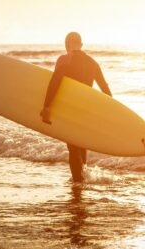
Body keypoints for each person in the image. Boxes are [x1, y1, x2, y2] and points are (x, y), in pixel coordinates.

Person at [40, 32, 112, 183]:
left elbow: (55, 82)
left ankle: (78, 184)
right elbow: (105, 90)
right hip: (86, 111)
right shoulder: (93, 63)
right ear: (81, 45)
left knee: (73, 147)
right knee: (81, 143)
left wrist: (46, 106)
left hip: (70, 109)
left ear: (66, 45)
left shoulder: (65, 59)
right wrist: (110, 114)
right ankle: (83, 179)